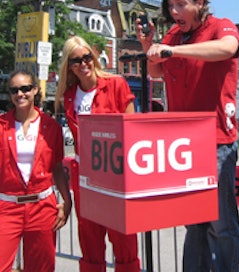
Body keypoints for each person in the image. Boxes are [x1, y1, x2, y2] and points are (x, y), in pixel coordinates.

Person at [136, 0, 239, 272]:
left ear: (200, 3)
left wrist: (173, 50)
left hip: (216, 140)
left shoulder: (220, 25)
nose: (174, 12)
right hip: (182, 143)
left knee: (221, 224)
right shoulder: (171, 35)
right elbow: (155, 72)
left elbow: (227, 48)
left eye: (181, 4)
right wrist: (149, 45)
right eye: (170, 6)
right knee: (193, 223)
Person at [55, 36, 141, 272]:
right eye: (76, 60)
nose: (83, 64)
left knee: (124, 241)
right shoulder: (69, 95)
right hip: (84, 178)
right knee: (90, 240)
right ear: (69, 65)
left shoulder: (116, 84)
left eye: (87, 57)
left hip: (115, 176)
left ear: (94, 59)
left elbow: (132, 129)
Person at [0, 70, 72, 272]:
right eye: (15, 90)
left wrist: (67, 201)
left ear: (35, 90)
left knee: (41, 268)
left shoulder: (51, 127)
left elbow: (57, 168)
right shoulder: (2, 125)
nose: (20, 94)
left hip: (41, 207)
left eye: (25, 88)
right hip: (6, 208)